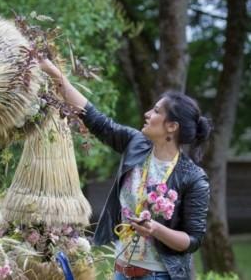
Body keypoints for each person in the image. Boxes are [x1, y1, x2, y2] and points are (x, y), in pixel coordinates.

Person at [39, 58, 211, 280]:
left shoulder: (194, 178)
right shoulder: (136, 144)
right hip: (121, 271)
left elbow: (193, 240)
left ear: (172, 126)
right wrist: (54, 73)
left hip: (158, 276)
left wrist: (156, 230)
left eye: (156, 111)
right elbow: (95, 119)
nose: (148, 113)